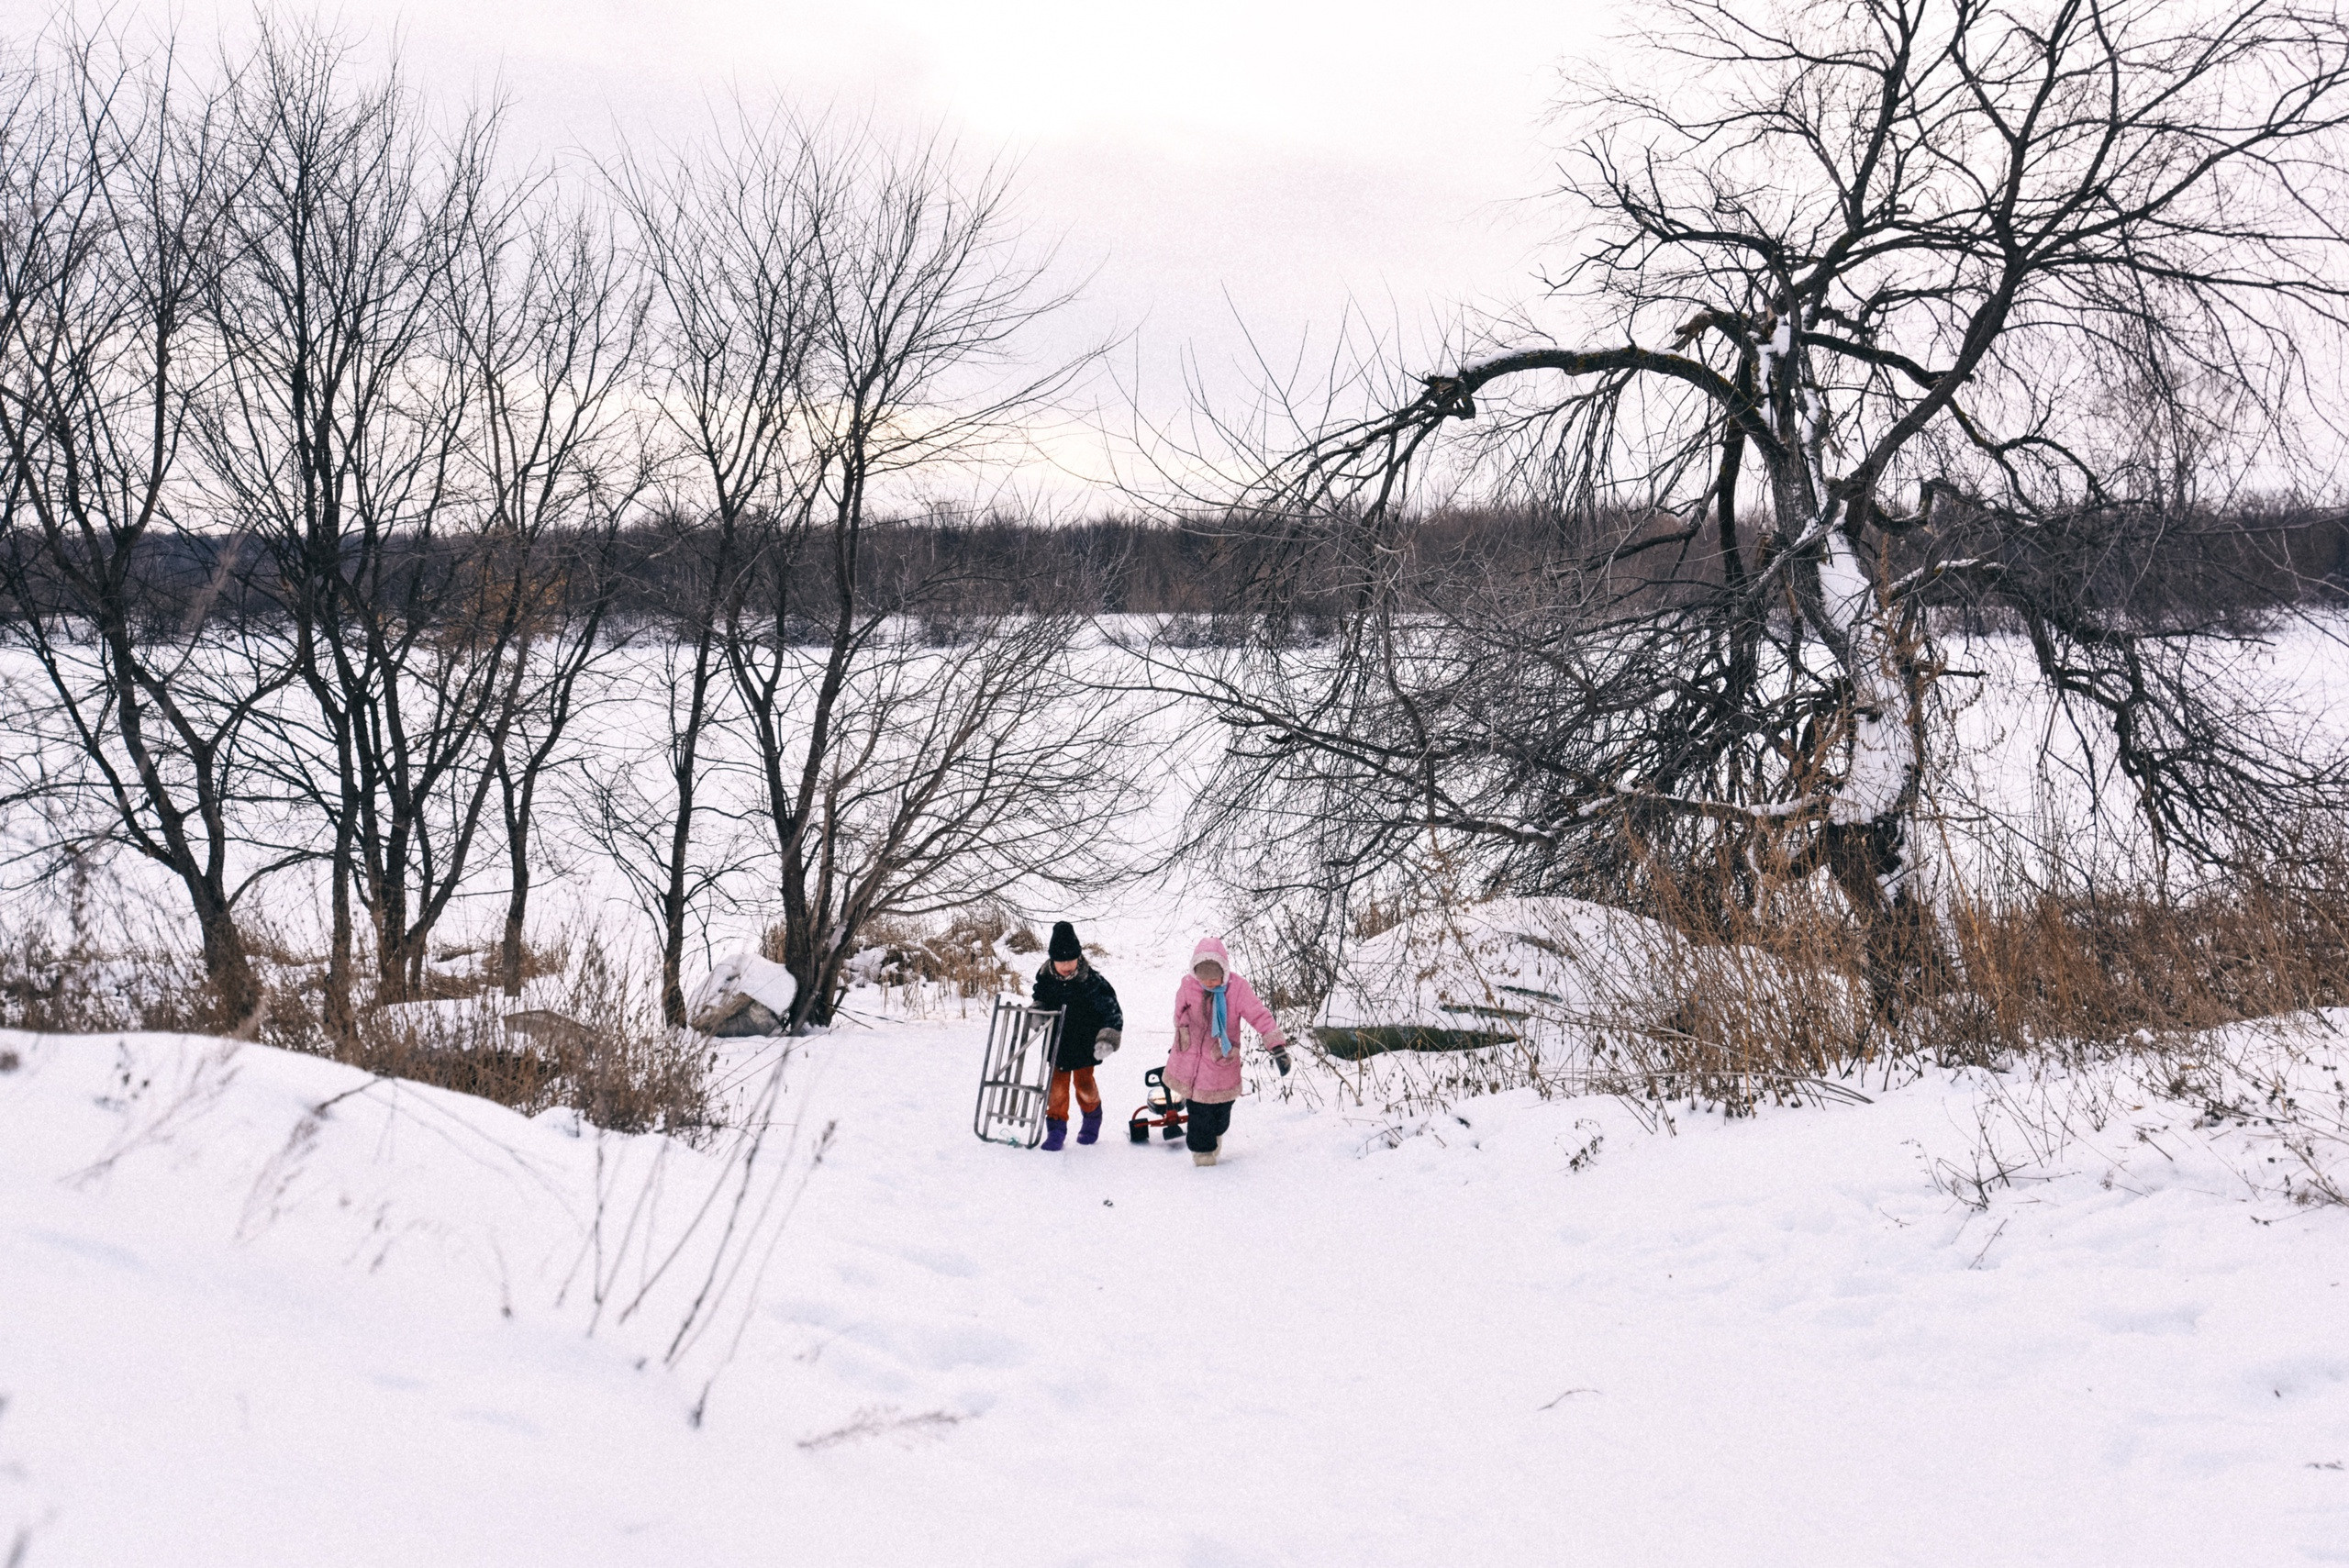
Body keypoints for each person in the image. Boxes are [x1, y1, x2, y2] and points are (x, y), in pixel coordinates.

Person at [1165, 936, 1290, 1167]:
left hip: (1221, 1061)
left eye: (1214, 979)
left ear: (1224, 970)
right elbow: (1178, 1009)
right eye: (1204, 979)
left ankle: (1215, 1135)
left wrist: (1277, 1046)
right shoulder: (1188, 985)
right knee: (1199, 1114)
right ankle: (1203, 1161)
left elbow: (1259, 1015)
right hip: (1191, 1059)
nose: (1210, 984)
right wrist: (1182, 1027)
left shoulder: (1237, 989)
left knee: (1220, 1115)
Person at [1030, 920, 1123, 1151]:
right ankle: (1056, 1131)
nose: (1066, 965)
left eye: (1070, 960)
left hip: (1084, 1046)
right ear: (1052, 960)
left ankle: (1092, 1119)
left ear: (1079, 958)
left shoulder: (1091, 982)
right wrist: (1038, 1011)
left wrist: (1107, 1039)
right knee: (1057, 1091)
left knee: (1085, 1086)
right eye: (1061, 961)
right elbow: (1039, 999)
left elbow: (1111, 1011)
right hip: (1056, 1046)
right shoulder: (1046, 980)